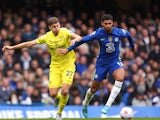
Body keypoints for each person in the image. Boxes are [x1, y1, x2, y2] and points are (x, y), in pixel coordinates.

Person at [2, 16, 81, 120]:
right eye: (54, 27)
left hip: (68, 65)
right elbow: (29, 44)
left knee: (65, 91)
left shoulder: (65, 32)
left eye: (58, 26)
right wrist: (12, 47)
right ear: (49, 27)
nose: (57, 28)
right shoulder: (47, 37)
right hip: (55, 67)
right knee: (53, 94)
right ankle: (57, 99)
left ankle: (59, 113)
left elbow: (79, 37)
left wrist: (74, 41)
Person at [57, 14, 135, 118]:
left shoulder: (119, 32)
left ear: (112, 23)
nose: (108, 26)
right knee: (94, 88)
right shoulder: (98, 33)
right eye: (106, 24)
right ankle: (85, 103)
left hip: (114, 61)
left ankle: (107, 107)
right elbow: (83, 40)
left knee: (120, 78)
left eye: (110, 23)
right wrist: (68, 49)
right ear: (102, 24)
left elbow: (129, 35)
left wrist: (132, 47)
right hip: (102, 63)